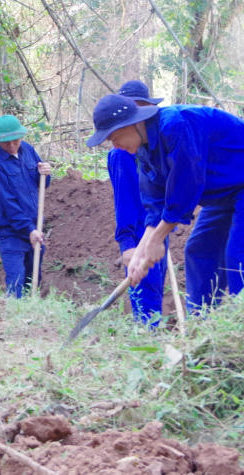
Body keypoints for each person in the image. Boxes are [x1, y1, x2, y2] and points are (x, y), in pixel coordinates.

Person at [87, 93, 244, 312]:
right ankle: (201, 323)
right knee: (199, 252)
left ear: (132, 124)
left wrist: (157, 239)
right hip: (223, 192)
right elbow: (156, 204)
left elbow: (186, 187)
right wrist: (140, 253)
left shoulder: (176, 126)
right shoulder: (144, 151)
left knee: (242, 255)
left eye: (115, 137)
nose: (115, 145)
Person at [107, 81, 167, 325]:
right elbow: (125, 201)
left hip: (157, 226)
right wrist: (128, 244)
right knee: (146, 297)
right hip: (141, 231)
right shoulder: (121, 154)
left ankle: (154, 338)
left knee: (155, 292)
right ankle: (147, 341)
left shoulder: (151, 146)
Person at [0, 115, 51, 297]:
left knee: (33, 280)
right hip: (10, 231)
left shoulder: (28, 150)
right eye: (6, 143)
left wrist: (45, 173)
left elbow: (41, 182)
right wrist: (29, 230)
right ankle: (13, 311)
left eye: (15, 141)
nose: (12, 146)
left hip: (34, 226)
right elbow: (7, 204)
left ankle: (30, 313)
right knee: (16, 282)